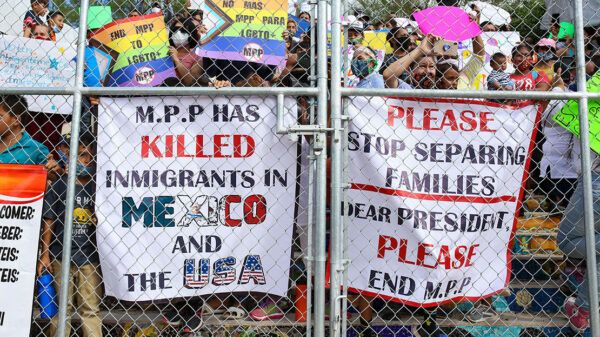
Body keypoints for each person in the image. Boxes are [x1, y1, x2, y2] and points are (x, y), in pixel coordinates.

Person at [40, 133, 103, 337]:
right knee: (61, 309)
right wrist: (45, 253)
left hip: (90, 256)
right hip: (60, 255)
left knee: (90, 308)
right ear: (69, 157)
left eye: (89, 155)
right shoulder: (61, 184)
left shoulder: (99, 187)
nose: (86, 160)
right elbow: (49, 219)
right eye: (80, 155)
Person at [0, 95, 57, 172]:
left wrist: (56, 170)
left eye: (0, 116)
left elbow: (52, 176)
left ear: (16, 120)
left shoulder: (36, 149)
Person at [168, 18, 204, 87]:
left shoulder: (198, 58)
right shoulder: (164, 54)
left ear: (191, 35)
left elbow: (190, 83)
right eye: (175, 30)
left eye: (182, 30)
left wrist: (176, 60)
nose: (178, 33)